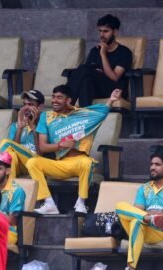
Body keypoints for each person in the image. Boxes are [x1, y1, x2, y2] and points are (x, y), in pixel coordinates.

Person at [30, 85, 121, 215]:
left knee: (87, 163)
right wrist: (60, 145)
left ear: (68, 100)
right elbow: (43, 147)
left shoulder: (81, 115)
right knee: (32, 162)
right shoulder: (46, 116)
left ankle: (81, 203)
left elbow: (101, 113)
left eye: (59, 97)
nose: (54, 100)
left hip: (79, 162)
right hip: (60, 163)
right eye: (53, 97)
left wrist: (111, 100)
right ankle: (49, 203)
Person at [115, 148, 163, 270]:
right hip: (145, 226)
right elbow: (137, 212)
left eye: (157, 164)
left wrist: (150, 215)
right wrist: (150, 217)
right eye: (151, 164)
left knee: (137, 221)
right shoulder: (144, 188)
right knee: (121, 207)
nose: (152, 167)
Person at [66, 14, 132, 107]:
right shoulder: (94, 51)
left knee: (84, 69)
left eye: (106, 31)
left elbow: (114, 77)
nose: (102, 35)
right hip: (97, 88)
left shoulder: (124, 52)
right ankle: (86, 115)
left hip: (114, 90)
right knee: (86, 80)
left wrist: (103, 54)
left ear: (115, 32)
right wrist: (97, 73)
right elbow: (88, 72)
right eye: (100, 31)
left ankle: (65, 105)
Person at [0, 89, 45, 179]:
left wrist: (34, 128)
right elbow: (11, 149)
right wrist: (19, 128)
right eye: (24, 104)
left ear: (40, 107)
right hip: (19, 164)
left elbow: (40, 154)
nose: (26, 108)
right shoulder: (16, 125)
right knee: (12, 155)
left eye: (30, 104)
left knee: (5, 142)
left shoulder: (46, 124)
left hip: (35, 163)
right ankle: (7, 186)